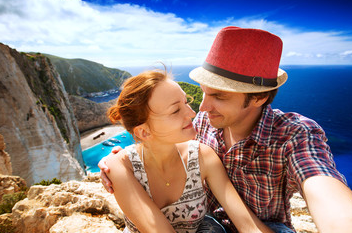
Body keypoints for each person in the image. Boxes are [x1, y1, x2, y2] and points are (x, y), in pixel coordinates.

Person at [100, 27, 352, 232]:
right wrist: (119, 163)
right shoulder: (199, 125)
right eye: (202, 91)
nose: (200, 108)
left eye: (219, 96)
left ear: (258, 98)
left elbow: (323, 186)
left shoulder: (294, 135)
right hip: (209, 224)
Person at [103, 69, 273, 233]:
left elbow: (249, 225)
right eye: (176, 110)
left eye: (186, 102)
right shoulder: (120, 166)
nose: (192, 113)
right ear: (144, 132)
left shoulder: (202, 156)